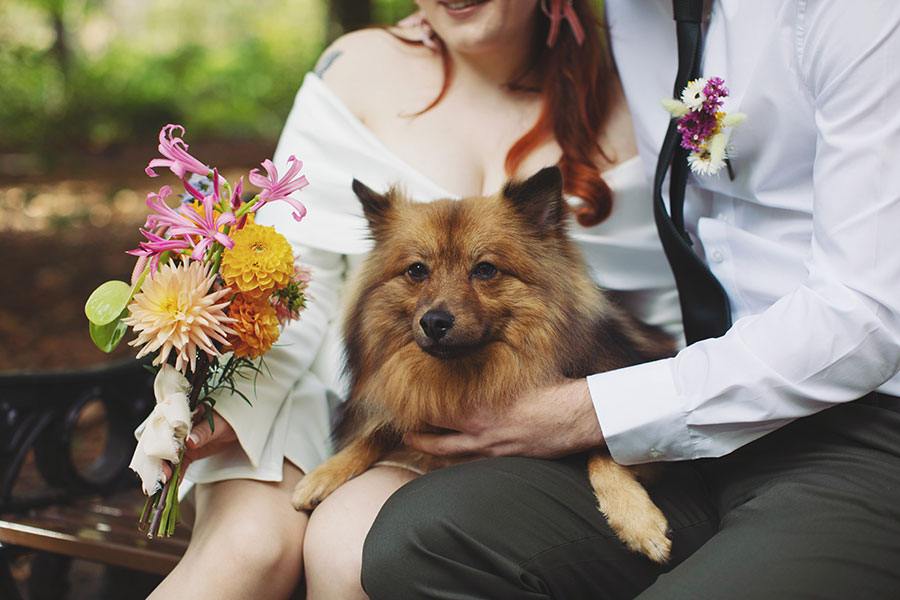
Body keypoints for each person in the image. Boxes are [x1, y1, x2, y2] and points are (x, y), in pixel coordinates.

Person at [361, 0, 900, 598]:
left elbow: (867, 315)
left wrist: (589, 411)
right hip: (694, 436)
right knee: (419, 541)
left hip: (858, 426)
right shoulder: (628, 13)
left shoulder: (855, 13)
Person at [148, 1, 681, 598]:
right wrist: (224, 401)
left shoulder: (642, 82)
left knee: (350, 549)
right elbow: (291, 281)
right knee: (244, 551)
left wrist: (624, 422)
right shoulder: (359, 68)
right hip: (334, 388)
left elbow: (680, 310)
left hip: (547, 397)